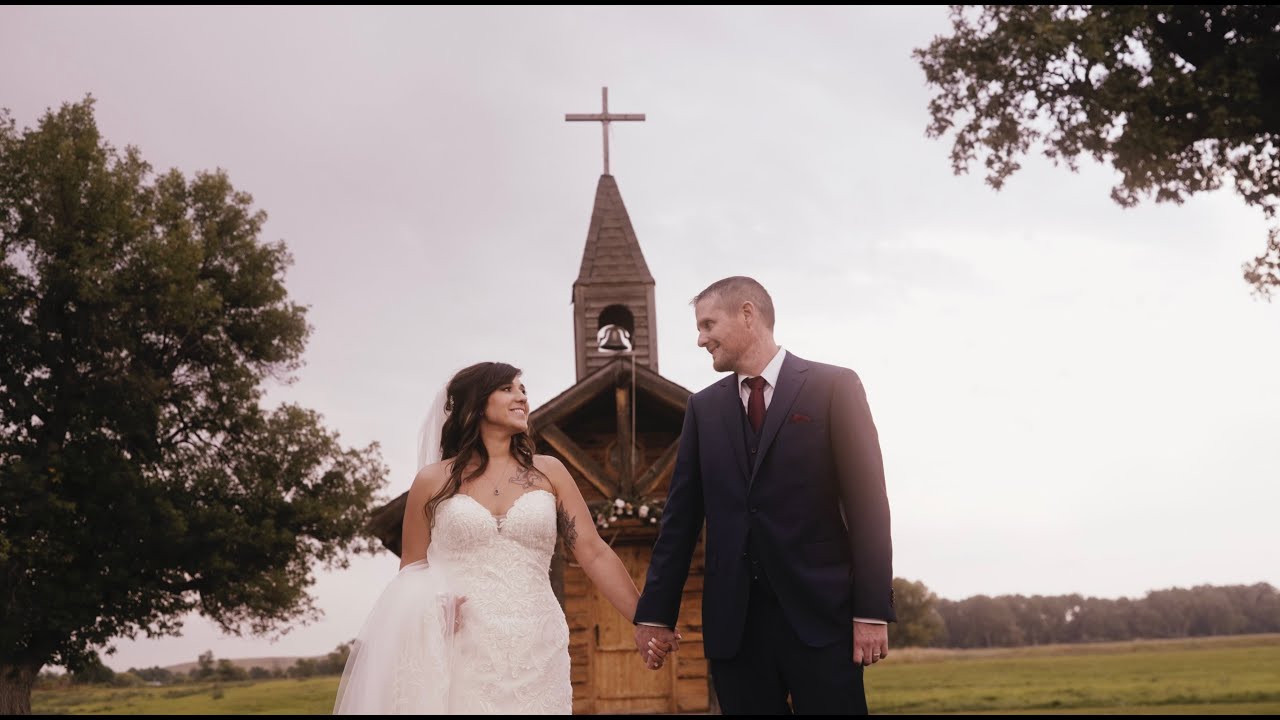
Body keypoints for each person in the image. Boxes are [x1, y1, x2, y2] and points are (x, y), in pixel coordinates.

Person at [334, 362, 670, 714]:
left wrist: (646, 619)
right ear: (477, 403)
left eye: (523, 390)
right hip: (461, 642)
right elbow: (412, 569)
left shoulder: (549, 472)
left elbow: (593, 552)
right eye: (508, 388)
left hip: (537, 643)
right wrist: (434, 607)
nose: (521, 397)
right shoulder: (432, 481)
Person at [633, 276, 896, 715]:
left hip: (821, 619)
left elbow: (869, 505)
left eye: (707, 324)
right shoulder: (703, 409)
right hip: (735, 628)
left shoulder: (834, 387)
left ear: (748, 314)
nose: (701, 339)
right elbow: (680, 520)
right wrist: (655, 613)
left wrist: (871, 610)